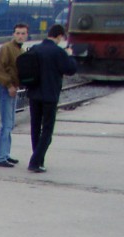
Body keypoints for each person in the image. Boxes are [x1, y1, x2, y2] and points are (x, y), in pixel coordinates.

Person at [26, 23, 77, 173]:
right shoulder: (58, 52)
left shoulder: (35, 48)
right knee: (47, 130)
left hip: (34, 94)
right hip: (49, 96)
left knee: (35, 128)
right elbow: (70, 69)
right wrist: (70, 55)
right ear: (60, 36)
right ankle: (35, 162)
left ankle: (38, 158)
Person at [0, 23, 28, 168]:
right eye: (18, 33)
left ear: (26, 35)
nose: (20, 36)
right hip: (5, 88)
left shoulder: (20, 50)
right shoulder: (7, 49)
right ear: (13, 34)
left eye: (23, 33)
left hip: (12, 88)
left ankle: (5, 154)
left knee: (10, 123)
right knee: (6, 124)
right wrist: (9, 85)